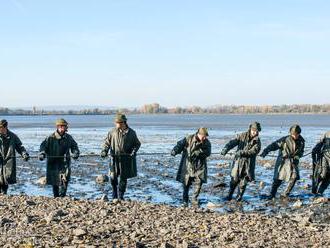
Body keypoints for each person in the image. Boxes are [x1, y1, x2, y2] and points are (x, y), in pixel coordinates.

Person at [101, 113, 141, 202]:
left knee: (123, 178)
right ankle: (114, 194)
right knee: (113, 177)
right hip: (114, 159)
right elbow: (106, 143)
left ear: (124, 123)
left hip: (125, 160)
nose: (116, 124)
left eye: (118, 123)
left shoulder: (131, 133)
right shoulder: (112, 132)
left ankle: (121, 195)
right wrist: (104, 151)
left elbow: (137, 144)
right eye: (116, 123)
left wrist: (134, 151)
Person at [260, 124, 305, 199]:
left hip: (294, 162)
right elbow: (274, 145)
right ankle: (272, 194)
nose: (294, 136)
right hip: (283, 162)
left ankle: (285, 194)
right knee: (278, 179)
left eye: (296, 134)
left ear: (299, 134)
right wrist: (266, 151)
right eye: (293, 134)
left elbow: (301, 152)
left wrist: (298, 156)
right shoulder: (284, 140)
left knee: (295, 176)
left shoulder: (302, 141)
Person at [221, 122, 261, 201]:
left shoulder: (257, 141)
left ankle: (239, 197)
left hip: (248, 165)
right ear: (250, 129)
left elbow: (253, 151)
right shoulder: (242, 136)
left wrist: (242, 152)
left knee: (243, 182)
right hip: (238, 163)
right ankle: (229, 195)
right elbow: (233, 142)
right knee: (234, 181)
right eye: (254, 130)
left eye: (257, 131)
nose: (255, 132)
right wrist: (226, 148)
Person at [39, 118, 79, 197]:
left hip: (65, 163)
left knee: (65, 180)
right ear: (57, 127)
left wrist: (75, 153)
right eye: (60, 126)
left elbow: (74, 147)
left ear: (66, 128)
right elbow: (43, 146)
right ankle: (56, 198)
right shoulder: (50, 138)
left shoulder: (69, 138)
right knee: (55, 182)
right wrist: (42, 154)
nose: (62, 128)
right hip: (53, 163)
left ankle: (62, 196)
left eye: (63, 127)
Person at [171, 127, 211, 206]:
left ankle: (194, 199)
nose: (205, 137)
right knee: (186, 183)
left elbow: (208, 152)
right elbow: (180, 145)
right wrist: (175, 151)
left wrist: (199, 152)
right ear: (199, 134)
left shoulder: (207, 142)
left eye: (206, 136)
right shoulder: (188, 138)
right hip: (188, 165)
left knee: (199, 183)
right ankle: (185, 200)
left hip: (200, 165)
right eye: (204, 136)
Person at [0, 119, 30, 194]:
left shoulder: (13, 136)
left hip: (8, 162)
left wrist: (24, 154)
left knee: (5, 180)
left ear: (5, 127)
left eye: (1, 128)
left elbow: (20, 147)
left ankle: (4, 194)